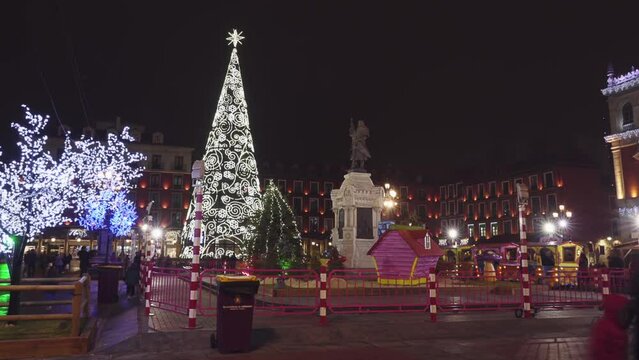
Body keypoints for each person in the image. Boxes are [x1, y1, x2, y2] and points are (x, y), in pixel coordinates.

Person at [590, 294, 630, 360]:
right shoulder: (604, 328)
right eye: (623, 312)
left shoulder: (619, 327)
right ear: (615, 312)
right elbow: (598, 351)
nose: (625, 316)